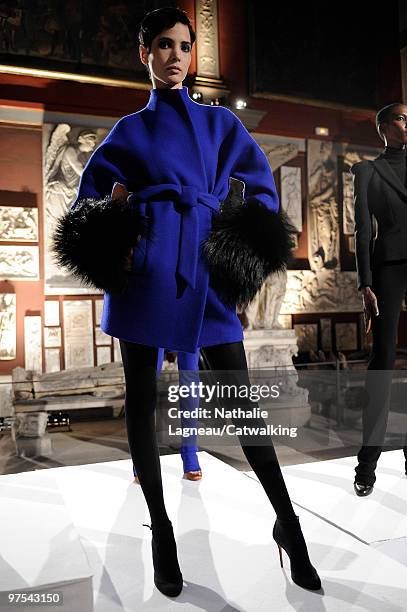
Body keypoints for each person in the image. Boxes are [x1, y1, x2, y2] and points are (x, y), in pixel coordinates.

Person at [54, 6, 321, 598]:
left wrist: (232, 242)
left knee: (242, 403)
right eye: (163, 45)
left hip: (205, 269)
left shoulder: (221, 124)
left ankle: (289, 522)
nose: (176, 55)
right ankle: (162, 531)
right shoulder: (128, 131)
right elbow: (86, 205)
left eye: (184, 45)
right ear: (144, 55)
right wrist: (121, 233)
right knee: (143, 406)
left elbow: (260, 191)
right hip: (147, 272)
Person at [351, 102, 407, 496]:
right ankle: (368, 462)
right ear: (383, 127)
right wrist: (365, 282)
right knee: (382, 361)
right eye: (402, 118)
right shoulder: (368, 170)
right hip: (389, 267)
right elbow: (361, 231)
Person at [132, 347, 203, 482]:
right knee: (148, 377)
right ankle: (142, 459)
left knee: (190, 378)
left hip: (189, 325)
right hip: (153, 326)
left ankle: (190, 452)